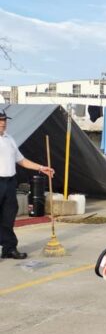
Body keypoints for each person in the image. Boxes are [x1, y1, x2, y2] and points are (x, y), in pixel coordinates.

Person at [0, 110, 55, 259]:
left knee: (9, 216)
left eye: (4, 120)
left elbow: (21, 160)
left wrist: (42, 168)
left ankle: (9, 248)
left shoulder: (9, 139)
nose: (3, 123)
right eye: (0, 120)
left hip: (10, 181)